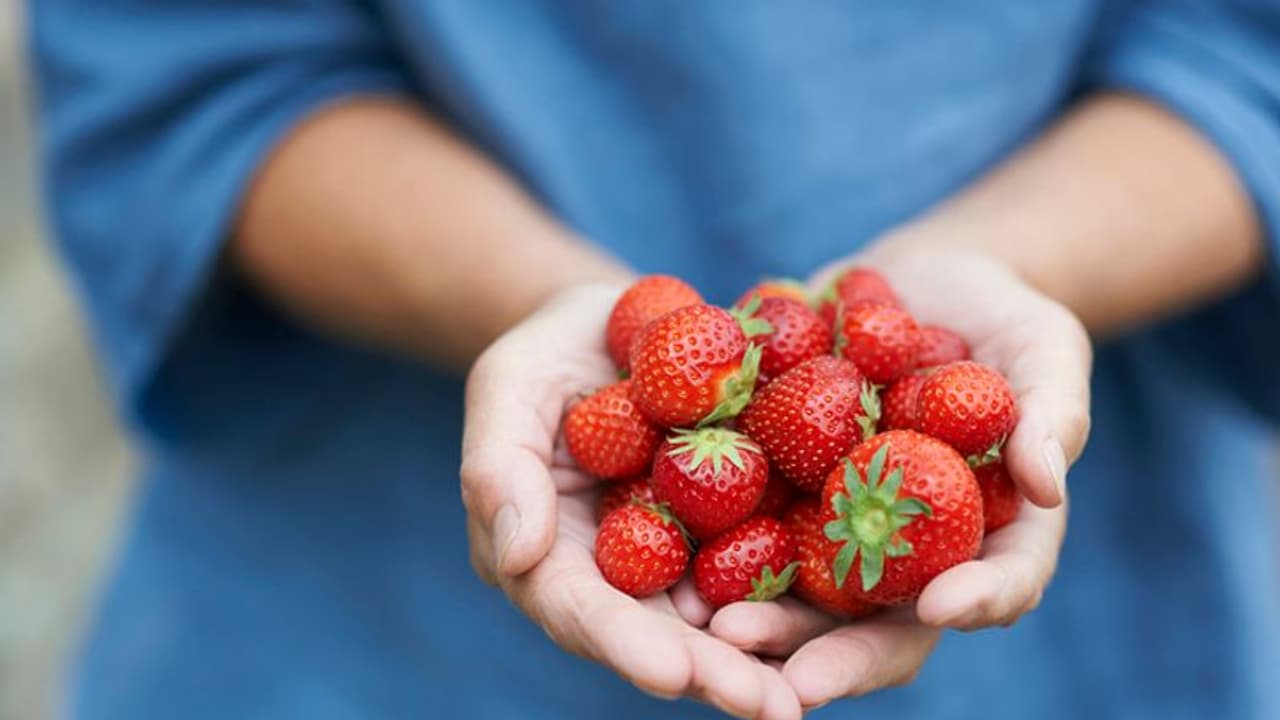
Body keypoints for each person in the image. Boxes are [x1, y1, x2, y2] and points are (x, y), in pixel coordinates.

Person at [29, 1, 1279, 718]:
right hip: (361, 635)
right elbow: (196, 74)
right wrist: (538, 300)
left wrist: (1016, 257)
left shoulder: (828, 417)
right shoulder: (783, 409)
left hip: (1103, 652)